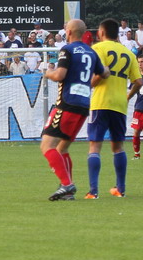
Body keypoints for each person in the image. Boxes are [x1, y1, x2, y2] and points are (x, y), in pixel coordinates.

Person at [40, 19, 107, 201]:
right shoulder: (91, 52)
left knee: (47, 145)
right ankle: (67, 191)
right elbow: (104, 73)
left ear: (68, 32)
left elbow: (60, 75)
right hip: (84, 105)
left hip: (67, 103)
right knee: (62, 148)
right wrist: (95, 79)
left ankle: (67, 184)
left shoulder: (67, 50)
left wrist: (47, 73)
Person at [87, 19, 143, 199]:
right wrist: (127, 96)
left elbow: (99, 75)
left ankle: (93, 191)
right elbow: (139, 82)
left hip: (100, 102)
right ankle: (121, 189)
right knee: (118, 146)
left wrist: (88, 85)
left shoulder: (98, 49)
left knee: (95, 146)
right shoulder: (128, 53)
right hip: (120, 104)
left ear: (102, 32)